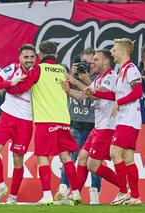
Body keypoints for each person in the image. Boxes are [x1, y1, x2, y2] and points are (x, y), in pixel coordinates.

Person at [7, 41, 82, 205]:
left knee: (42, 158)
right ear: (56, 54)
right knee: (66, 157)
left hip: (45, 121)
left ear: (40, 55)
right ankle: (75, 193)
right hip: (63, 120)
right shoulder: (63, 70)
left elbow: (22, 88)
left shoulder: (37, 69)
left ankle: (47, 196)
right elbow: (68, 90)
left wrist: (8, 87)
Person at [84, 38, 143, 206]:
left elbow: (138, 91)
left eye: (115, 50)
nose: (113, 52)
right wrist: (94, 92)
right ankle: (135, 196)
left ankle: (124, 192)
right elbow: (113, 95)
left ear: (123, 52)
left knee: (114, 153)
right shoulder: (121, 71)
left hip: (129, 119)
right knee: (128, 157)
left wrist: (120, 102)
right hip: (124, 120)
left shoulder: (131, 69)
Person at [62, 49, 119, 198]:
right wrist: (68, 90)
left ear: (106, 61)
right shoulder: (99, 78)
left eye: (95, 60)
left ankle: (125, 187)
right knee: (82, 158)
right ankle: (73, 196)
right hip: (98, 126)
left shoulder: (111, 77)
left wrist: (75, 81)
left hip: (107, 127)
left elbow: (97, 95)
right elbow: (82, 96)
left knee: (93, 166)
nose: (92, 63)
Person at [0, 44, 36, 204]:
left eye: (32, 57)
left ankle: (13, 197)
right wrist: (10, 83)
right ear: (20, 58)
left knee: (18, 159)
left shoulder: (38, 73)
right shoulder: (11, 69)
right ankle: (1, 186)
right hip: (7, 117)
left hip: (26, 121)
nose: (29, 60)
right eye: (26, 57)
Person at [54, 47, 102, 205]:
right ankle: (63, 191)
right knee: (70, 158)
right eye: (83, 63)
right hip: (75, 122)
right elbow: (61, 89)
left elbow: (94, 95)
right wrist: (73, 75)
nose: (87, 66)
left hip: (95, 124)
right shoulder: (69, 75)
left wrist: (80, 79)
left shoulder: (100, 77)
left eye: (90, 63)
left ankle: (95, 192)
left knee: (94, 161)